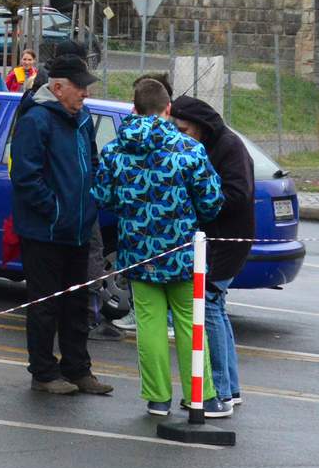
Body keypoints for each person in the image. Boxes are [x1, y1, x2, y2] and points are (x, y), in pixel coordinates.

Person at [91, 78, 223, 417]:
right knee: (189, 323)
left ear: (134, 109)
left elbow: (102, 197)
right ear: (168, 110)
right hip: (181, 252)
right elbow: (211, 202)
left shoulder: (114, 151)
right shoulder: (189, 150)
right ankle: (202, 394)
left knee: (148, 323)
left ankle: (157, 397)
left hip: (137, 250)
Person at [10, 46, 113, 396]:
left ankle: (78, 369)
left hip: (79, 230)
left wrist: (89, 201)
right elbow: (25, 178)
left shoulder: (82, 119)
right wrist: (56, 211)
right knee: (44, 306)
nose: (86, 93)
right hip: (45, 232)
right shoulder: (35, 120)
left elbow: (93, 163)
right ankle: (43, 371)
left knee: (77, 304)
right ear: (57, 88)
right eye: (80, 86)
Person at [171, 94, 253, 410]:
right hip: (214, 240)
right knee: (216, 310)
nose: (181, 137)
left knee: (209, 310)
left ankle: (219, 391)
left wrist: (200, 199)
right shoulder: (206, 145)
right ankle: (230, 387)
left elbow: (237, 195)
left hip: (225, 243)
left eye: (184, 130)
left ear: (201, 127)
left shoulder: (229, 147)